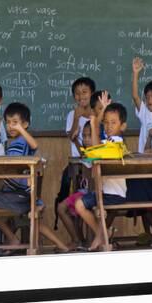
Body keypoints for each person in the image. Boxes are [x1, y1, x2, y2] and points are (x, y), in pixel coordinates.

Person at [0, 102, 70, 253]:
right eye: (9, 123)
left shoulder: (23, 141)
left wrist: (21, 131)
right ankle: (57, 244)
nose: (11, 126)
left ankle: (13, 238)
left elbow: (35, 145)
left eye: (15, 123)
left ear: (25, 124)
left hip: (21, 194)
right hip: (15, 193)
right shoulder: (11, 144)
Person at [75, 99, 128, 252]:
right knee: (80, 204)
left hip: (113, 194)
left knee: (80, 204)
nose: (108, 126)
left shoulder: (117, 142)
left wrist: (93, 124)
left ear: (122, 126)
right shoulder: (109, 140)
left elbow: (96, 149)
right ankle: (103, 234)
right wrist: (97, 118)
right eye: (106, 122)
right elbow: (96, 146)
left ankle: (102, 235)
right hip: (106, 192)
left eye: (113, 122)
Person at [54, 77, 96, 230]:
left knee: (88, 197)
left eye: (84, 92)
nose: (81, 96)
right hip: (77, 163)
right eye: (77, 94)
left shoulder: (95, 114)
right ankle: (78, 235)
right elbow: (71, 135)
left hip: (92, 162)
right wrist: (77, 119)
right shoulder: (72, 114)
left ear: (91, 93)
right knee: (71, 193)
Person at [57, 120, 92, 250]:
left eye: (90, 136)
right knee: (64, 209)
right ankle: (78, 240)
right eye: (85, 136)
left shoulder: (99, 153)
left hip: (91, 194)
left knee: (66, 209)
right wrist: (76, 140)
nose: (87, 140)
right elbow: (83, 153)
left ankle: (79, 240)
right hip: (84, 193)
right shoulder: (88, 152)